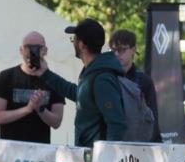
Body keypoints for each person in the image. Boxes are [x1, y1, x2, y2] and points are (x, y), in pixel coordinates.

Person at [29, 18, 126, 146]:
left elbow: (117, 123)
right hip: (88, 155)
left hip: (96, 158)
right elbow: (78, 94)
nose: (73, 43)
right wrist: (45, 74)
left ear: (81, 45)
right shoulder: (93, 71)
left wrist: (106, 159)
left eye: (74, 39)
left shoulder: (102, 78)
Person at [0, 31, 65, 143]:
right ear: (21, 50)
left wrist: (40, 109)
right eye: (28, 47)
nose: (32, 51)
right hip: (10, 150)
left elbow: (56, 122)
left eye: (38, 47)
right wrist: (27, 109)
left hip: (40, 151)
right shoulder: (6, 77)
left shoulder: (54, 81)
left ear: (45, 51)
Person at [109, 29, 161, 143]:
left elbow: (152, 119)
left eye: (122, 49)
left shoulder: (144, 81)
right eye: (113, 50)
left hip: (141, 145)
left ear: (133, 50)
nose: (117, 54)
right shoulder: (107, 79)